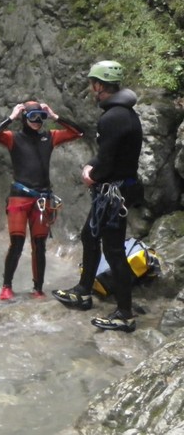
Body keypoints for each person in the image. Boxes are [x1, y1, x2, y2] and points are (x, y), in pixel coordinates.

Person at [52, 61, 144, 333]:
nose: (92, 89)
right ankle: (83, 290)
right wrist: (94, 166)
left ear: (100, 85)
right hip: (116, 190)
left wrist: (91, 174)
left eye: (93, 84)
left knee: (113, 250)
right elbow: (109, 153)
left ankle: (125, 314)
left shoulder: (112, 117)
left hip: (113, 193)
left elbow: (106, 160)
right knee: (89, 237)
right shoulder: (124, 114)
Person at [0, 100, 84, 300]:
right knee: (16, 242)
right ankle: (6, 286)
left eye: (40, 117)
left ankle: (38, 289)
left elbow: (78, 133)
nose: (37, 121)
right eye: (33, 117)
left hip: (42, 198)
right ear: (24, 118)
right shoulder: (13, 138)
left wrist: (55, 115)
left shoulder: (49, 137)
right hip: (19, 197)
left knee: (39, 244)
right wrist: (11, 117)